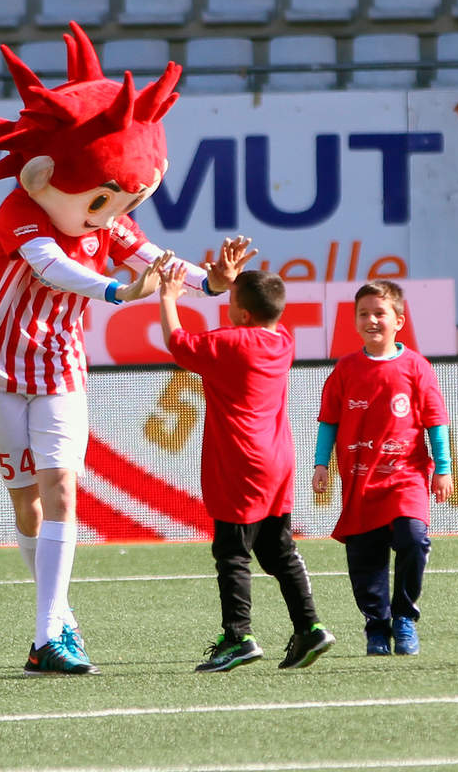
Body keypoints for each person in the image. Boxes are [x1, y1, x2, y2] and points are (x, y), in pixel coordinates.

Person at [0, 22, 242, 676]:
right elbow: (55, 268)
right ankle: (58, 619)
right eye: (107, 196)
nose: (114, 210)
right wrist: (119, 292)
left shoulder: (110, 221)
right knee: (26, 502)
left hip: (59, 373)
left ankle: (48, 634)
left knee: (61, 487)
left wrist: (209, 282)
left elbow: (156, 260)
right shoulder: (19, 213)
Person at [158, 256, 335, 672]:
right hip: (278, 461)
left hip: (241, 461)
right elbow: (253, 314)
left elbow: (179, 344)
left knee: (232, 552)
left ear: (241, 312)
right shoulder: (283, 342)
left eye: (230, 300)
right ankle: (309, 627)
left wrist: (167, 297)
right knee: (278, 551)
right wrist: (232, 282)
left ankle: (238, 637)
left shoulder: (231, 343)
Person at [311, 280, 453, 656]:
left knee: (413, 538)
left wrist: (443, 467)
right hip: (360, 479)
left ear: (399, 321)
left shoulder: (416, 367)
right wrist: (320, 463)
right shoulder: (345, 369)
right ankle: (377, 626)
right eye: (363, 314)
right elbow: (329, 421)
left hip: (405, 476)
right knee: (365, 558)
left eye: (380, 313)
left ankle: (405, 617)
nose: (371, 320)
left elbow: (436, 421)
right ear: (355, 320)